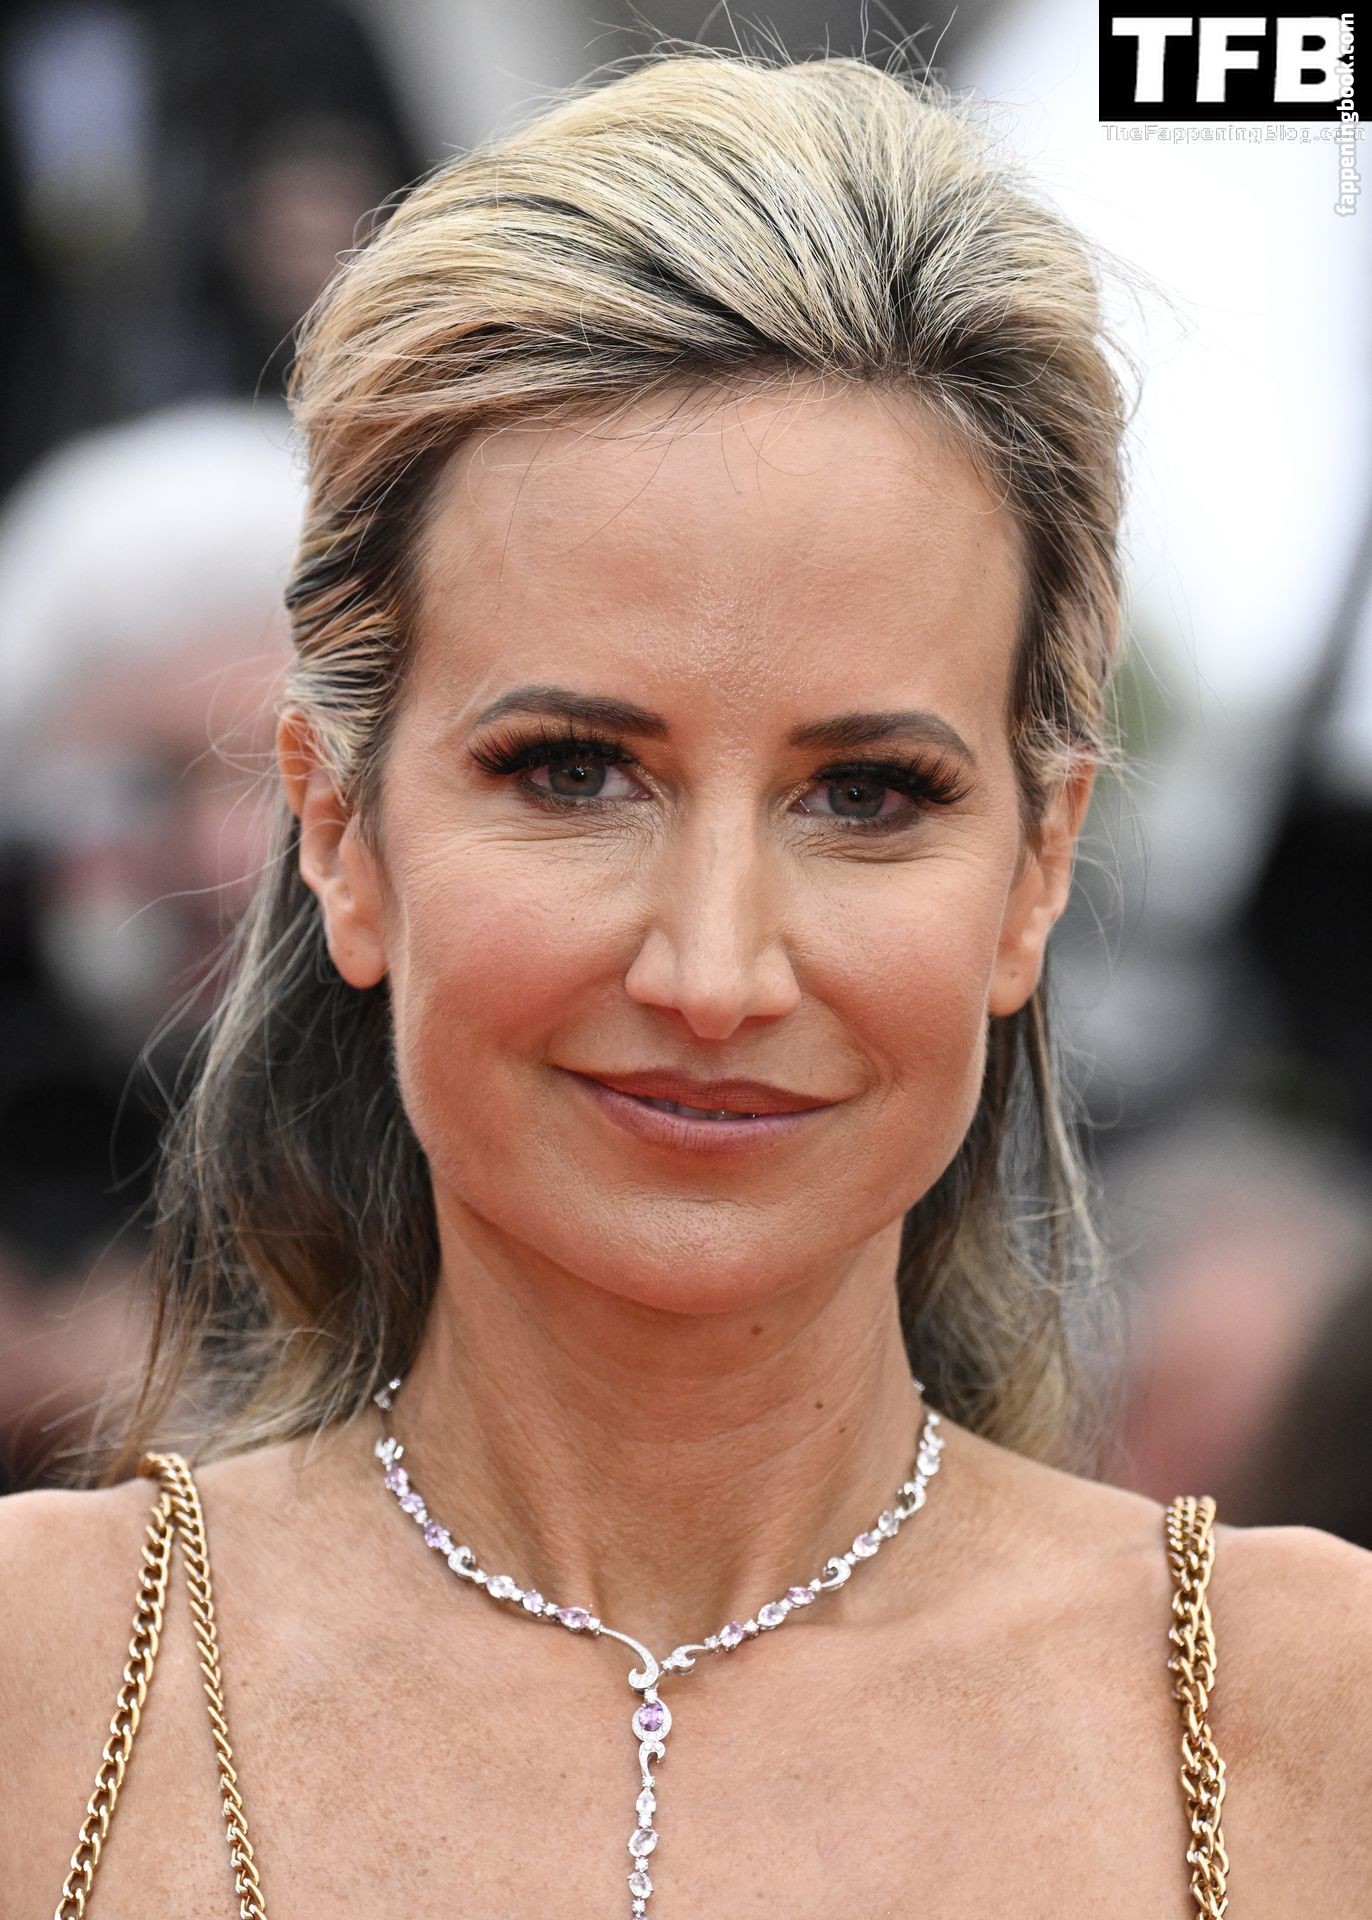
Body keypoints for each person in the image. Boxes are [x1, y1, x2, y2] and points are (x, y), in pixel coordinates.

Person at [2, 46, 1368, 1919]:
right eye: (572, 771)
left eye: (867, 795)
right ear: (339, 831)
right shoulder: (41, 1689)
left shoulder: (1309, 1723)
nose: (715, 971)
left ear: (1035, 872)